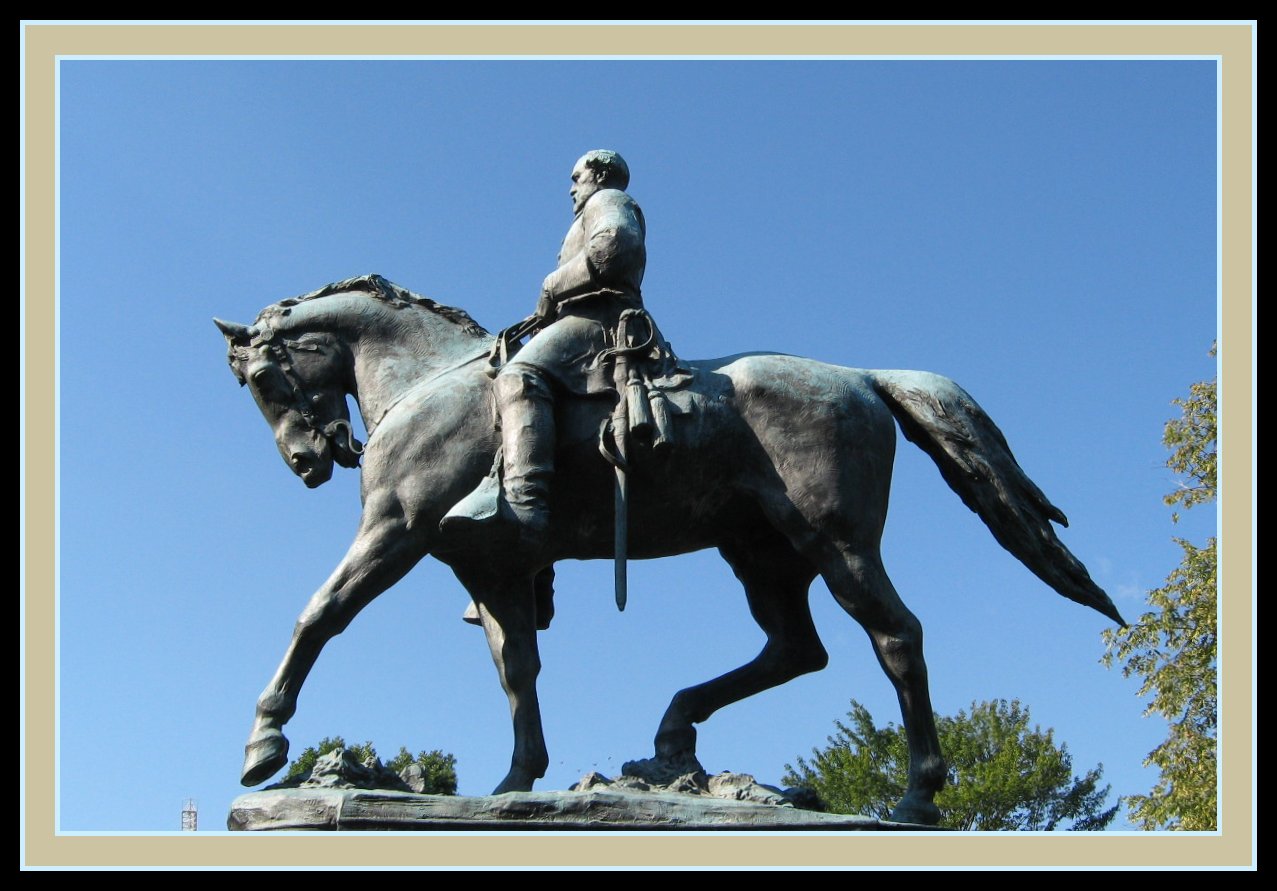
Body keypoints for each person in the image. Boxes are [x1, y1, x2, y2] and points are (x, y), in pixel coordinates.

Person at [440, 149, 648, 554]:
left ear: (600, 174)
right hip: (581, 318)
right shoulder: (586, 213)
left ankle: (524, 504)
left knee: (518, 377)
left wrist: (551, 288)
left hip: (598, 322)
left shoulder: (608, 200)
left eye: (577, 177)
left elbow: (615, 248)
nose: (572, 188)